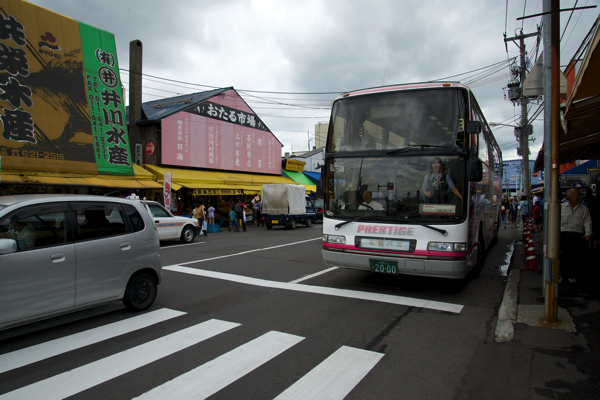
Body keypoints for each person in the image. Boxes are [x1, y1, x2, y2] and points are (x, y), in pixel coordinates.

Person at [560, 188, 592, 284]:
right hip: (563, 235)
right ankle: (561, 275)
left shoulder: (584, 209)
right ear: (568, 196)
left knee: (575, 257)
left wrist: (588, 234)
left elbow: (588, 222)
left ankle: (572, 276)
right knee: (562, 256)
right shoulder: (561, 207)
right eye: (573, 194)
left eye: (577, 194)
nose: (576, 196)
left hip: (577, 235)